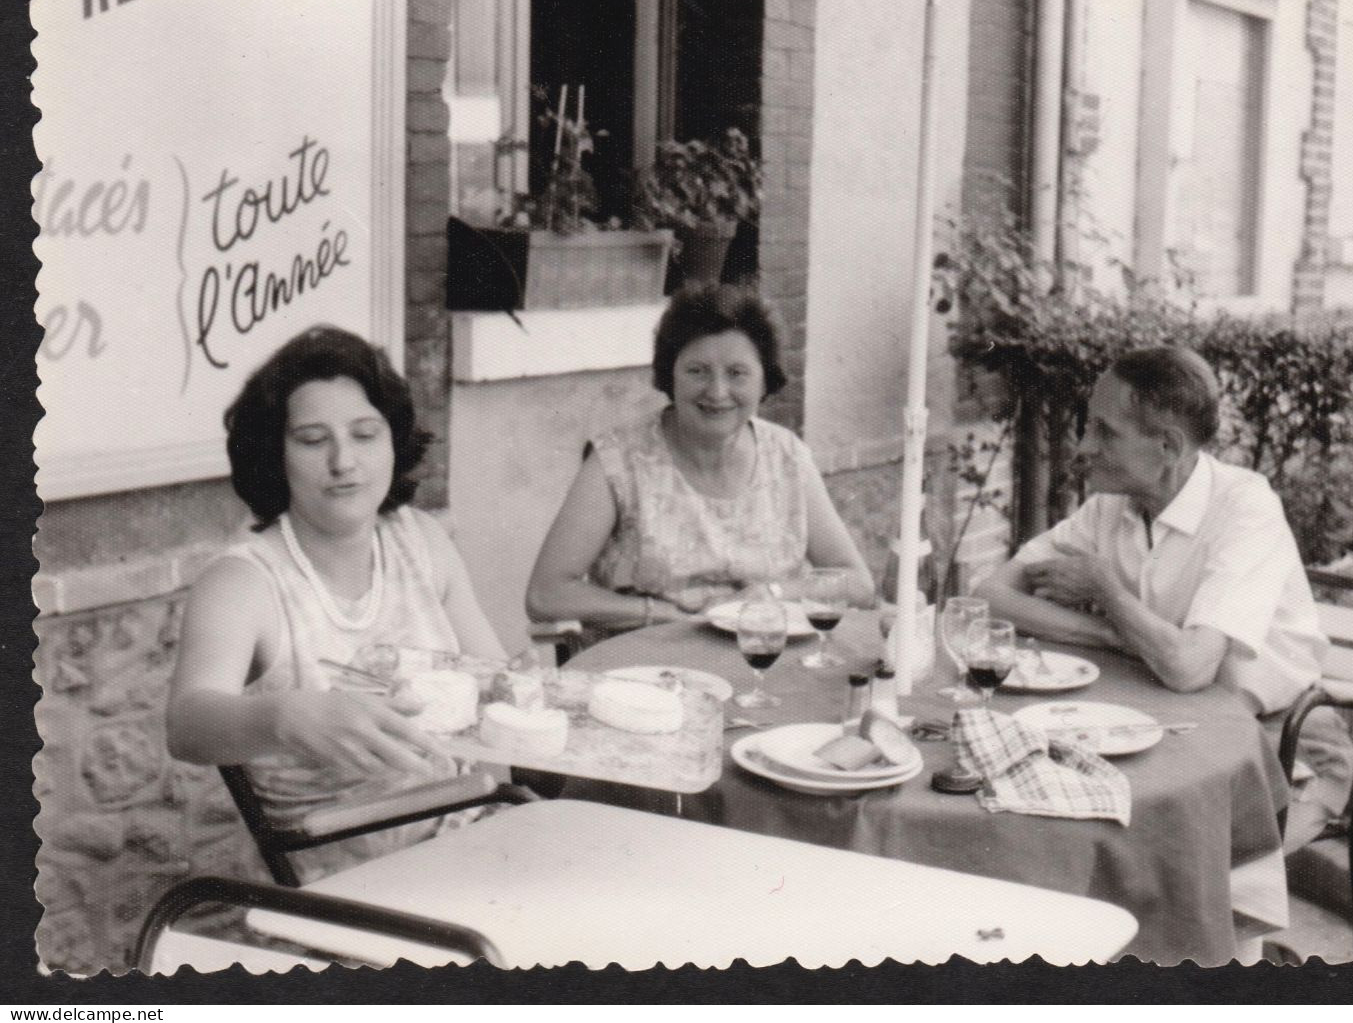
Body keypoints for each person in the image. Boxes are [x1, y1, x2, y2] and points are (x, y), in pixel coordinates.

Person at [974, 345, 1353, 854]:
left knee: (1145, 844)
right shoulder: (1113, 505)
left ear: (1169, 447)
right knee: (1045, 802)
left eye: (1104, 432)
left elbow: (1189, 667)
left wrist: (1106, 590)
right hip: (1172, 719)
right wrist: (1116, 635)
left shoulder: (1246, 508)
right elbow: (988, 598)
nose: (1082, 446)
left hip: (1286, 745)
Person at [168, 326, 507, 880]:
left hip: (468, 837)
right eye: (311, 439)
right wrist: (283, 716)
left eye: (365, 434)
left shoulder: (421, 541)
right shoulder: (243, 581)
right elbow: (186, 726)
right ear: (276, 455)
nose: (343, 460)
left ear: (394, 442)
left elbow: (496, 686)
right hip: (350, 879)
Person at [528, 284, 874, 638]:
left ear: (764, 381)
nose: (717, 392)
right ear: (670, 375)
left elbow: (857, 582)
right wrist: (660, 615)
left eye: (737, 373)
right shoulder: (619, 460)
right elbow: (545, 595)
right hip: (647, 665)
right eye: (698, 371)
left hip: (762, 661)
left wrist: (772, 593)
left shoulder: (787, 457)